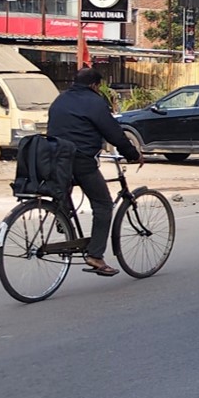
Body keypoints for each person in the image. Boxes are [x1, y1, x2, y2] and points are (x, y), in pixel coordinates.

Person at [46, 67, 143, 275]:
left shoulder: (60, 99)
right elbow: (114, 133)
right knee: (103, 204)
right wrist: (132, 154)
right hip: (80, 159)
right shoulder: (95, 102)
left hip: (53, 157)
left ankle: (62, 215)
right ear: (94, 85)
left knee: (66, 185)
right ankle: (95, 256)